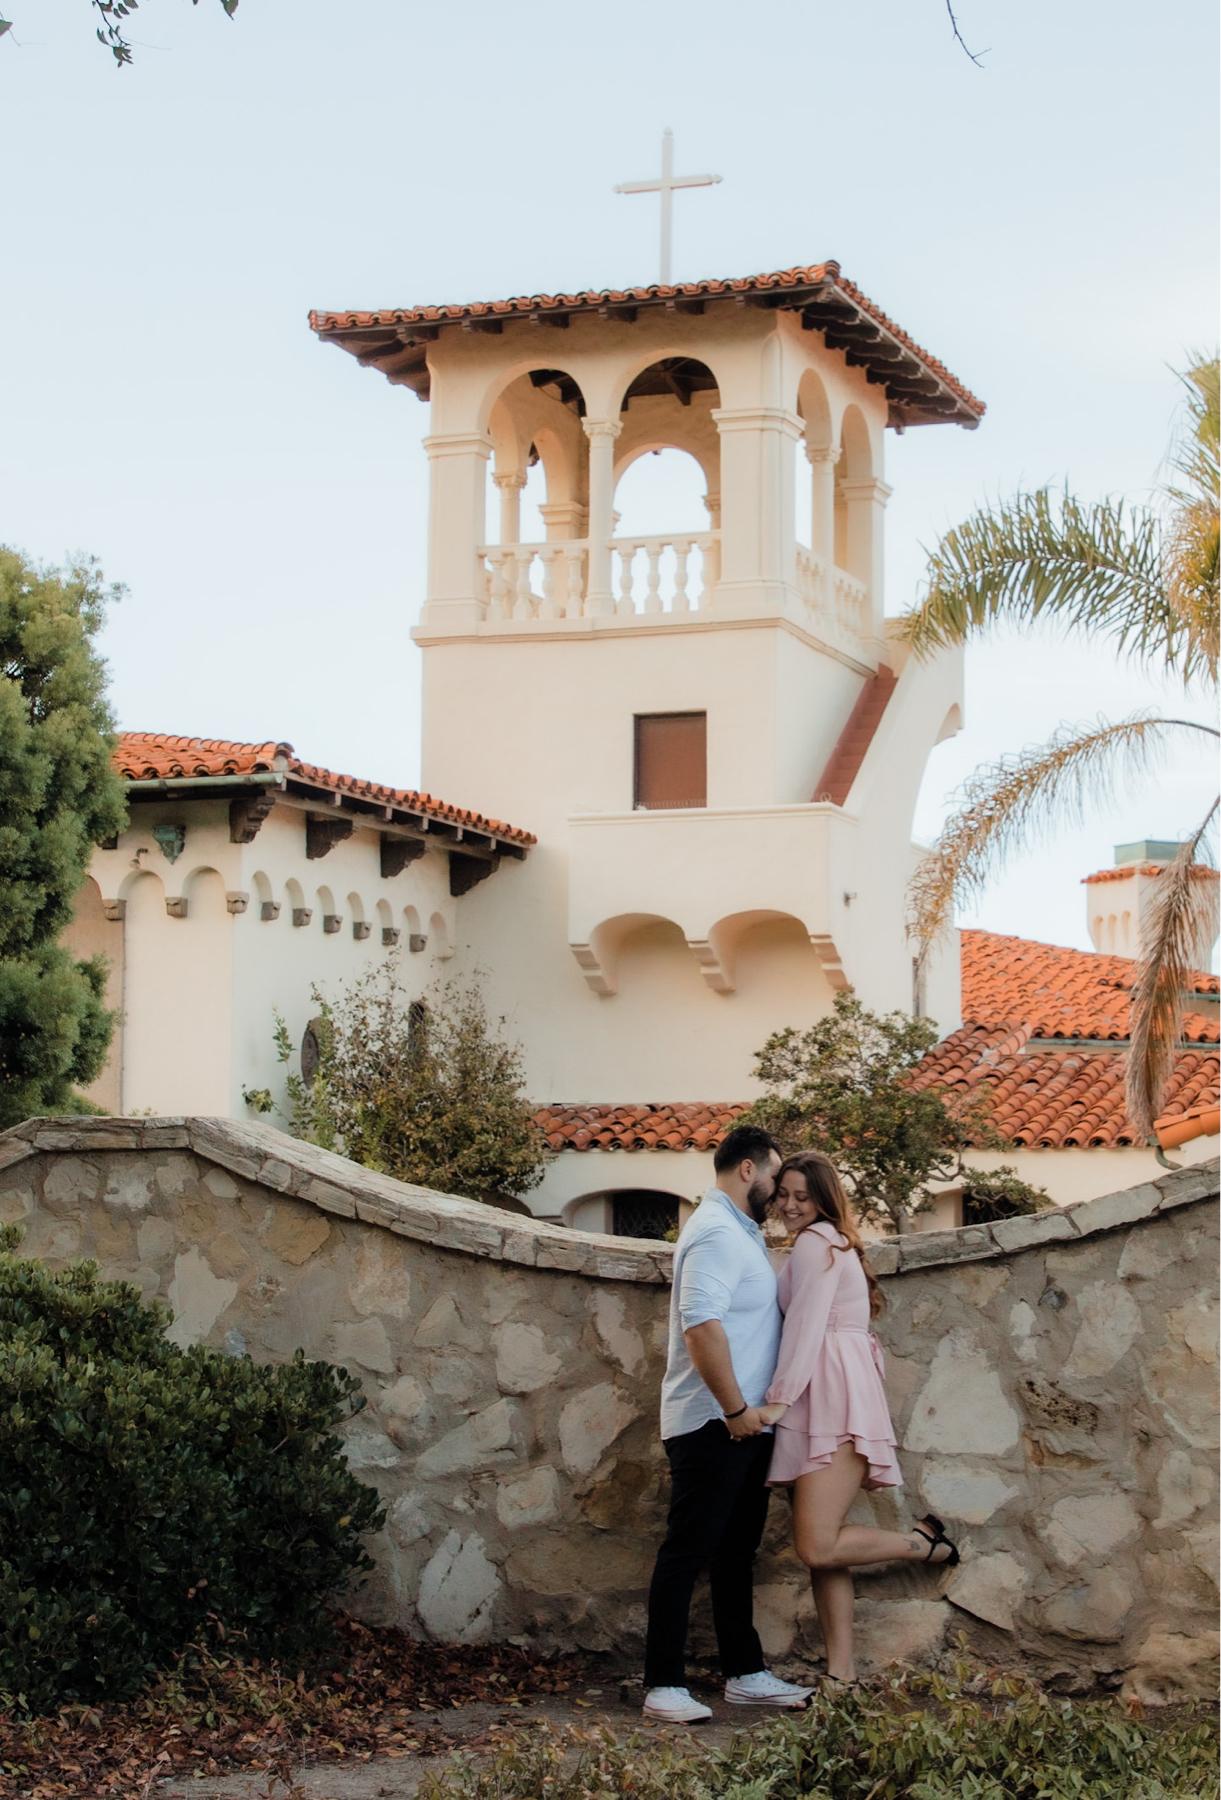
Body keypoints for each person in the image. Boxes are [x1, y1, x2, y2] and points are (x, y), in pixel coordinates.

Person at [757, 1152, 961, 1686]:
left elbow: (804, 1328)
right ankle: (841, 1675)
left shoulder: (816, 1242)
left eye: (803, 1197)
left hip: (830, 1396)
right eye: (784, 1195)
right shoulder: (827, 1241)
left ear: (824, 1200)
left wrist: (777, 1401)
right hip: (827, 1392)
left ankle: (922, 1545)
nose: (790, 1206)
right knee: (823, 1551)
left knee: (817, 1544)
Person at [642, 1125, 814, 1724]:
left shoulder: (739, 1231)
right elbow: (701, 1326)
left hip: (743, 1425)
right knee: (687, 1550)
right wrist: (736, 1412)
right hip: (712, 1423)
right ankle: (662, 1684)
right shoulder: (715, 1231)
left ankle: (745, 1675)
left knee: (736, 1553)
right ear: (748, 1170)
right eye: (774, 1176)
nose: (779, 1191)